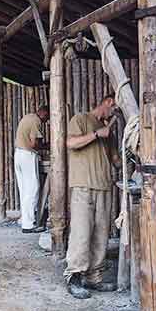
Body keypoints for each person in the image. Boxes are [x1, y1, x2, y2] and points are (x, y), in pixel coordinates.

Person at [64, 96, 121, 299]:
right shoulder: (80, 119)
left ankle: (94, 277)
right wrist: (97, 134)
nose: (114, 112)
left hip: (104, 186)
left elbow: (115, 160)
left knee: (101, 235)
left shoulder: (108, 132)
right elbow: (70, 143)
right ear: (107, 102)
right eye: (114, 107)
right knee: (81, 232)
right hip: (83, 186)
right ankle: (74, 277)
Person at [14, 105, 49, 233]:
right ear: (44, 113)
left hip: (18, 154)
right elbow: (34, 143)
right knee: (32, 189)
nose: (46, 121)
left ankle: (24, 219)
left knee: (24, 190)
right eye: (47, 117)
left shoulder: (27, 117)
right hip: (27, 156)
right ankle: (28, 225)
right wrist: (46, 146)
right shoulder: (36, 120)